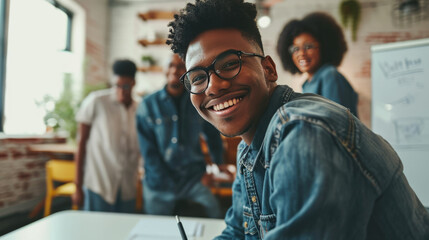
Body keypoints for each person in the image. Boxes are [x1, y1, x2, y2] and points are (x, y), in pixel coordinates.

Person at [166, 0, 429, 239]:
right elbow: (237, 232)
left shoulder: (304, 134)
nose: (213, 86)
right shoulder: (249, 147)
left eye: (229, 63)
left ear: (269, 69)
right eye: (198, 77)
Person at [136, 53, 224, 218]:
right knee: (156, 231)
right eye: (170, 65)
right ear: (164, 69)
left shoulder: (198, 101)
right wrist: (169, 184)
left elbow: (213, 133)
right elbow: (149, 153)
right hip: (159, 183)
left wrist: (217, 165)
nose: (174, 70)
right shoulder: (147, 105)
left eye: (180, 66)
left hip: (193, 180)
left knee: (215, 215)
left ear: (188, 72)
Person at [72, 59, 141, 213]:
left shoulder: (140, 108)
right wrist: (77, 186)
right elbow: (81, 144)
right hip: (99, 184)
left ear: (133, 83)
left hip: (127, 187)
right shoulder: (96, 102)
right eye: (117, 85)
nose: (121, 91)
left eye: (126, 86)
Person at [277, 12, 359, 117]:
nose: (301, 53)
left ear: (324, 46)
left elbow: (337, 122)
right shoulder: (307, 83)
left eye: (308, 47)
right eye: (295, 49)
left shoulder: (330, 76)